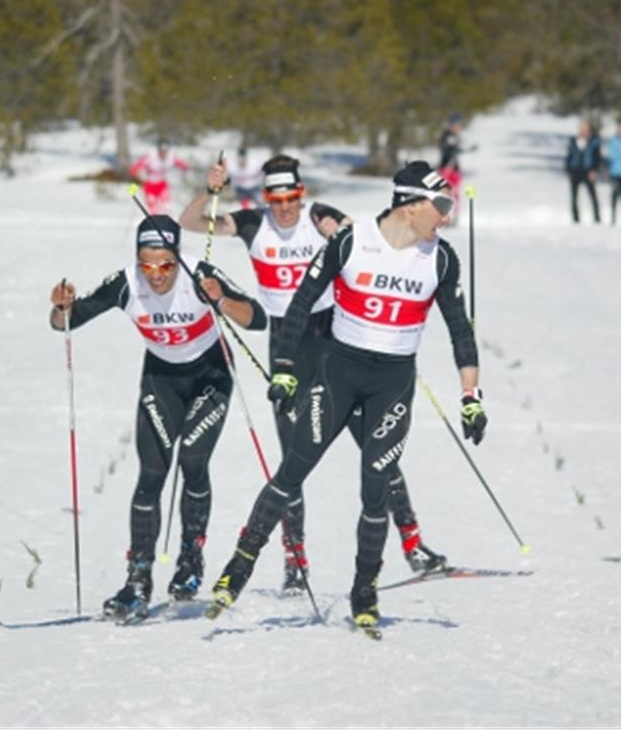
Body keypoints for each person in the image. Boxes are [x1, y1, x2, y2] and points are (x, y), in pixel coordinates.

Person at [207, 160, 485, 634]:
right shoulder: (353, 242)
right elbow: (298, 305)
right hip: (338, 374)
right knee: (293, 471)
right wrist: (288, 370)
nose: (445, 214)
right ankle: (239, 565)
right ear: (409, 205)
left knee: (375, 489)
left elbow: (460, 330)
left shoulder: (440, 258)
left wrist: (471, 395)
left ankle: (365, 592)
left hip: (393, 384)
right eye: (439, 205)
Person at [48, 215, 266, 621]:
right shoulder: (126, 283)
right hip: (161, 379)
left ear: (177, 257)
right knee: (151, 475)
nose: (156, 275)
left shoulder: (199, 275)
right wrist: (61, 307)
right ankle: (137, 581)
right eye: (147, 265)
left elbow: (258, 318)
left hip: (211, 378)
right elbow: (67, 321)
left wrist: (219, 300)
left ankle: (190, 558)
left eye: (165, 265)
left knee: (193, 462)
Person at [129, 139, 190, 216]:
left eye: (165, 152)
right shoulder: (150, 157)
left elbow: (184, 165)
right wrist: (135, 183)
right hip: (149, 186)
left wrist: (184, 170)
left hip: (162, 185)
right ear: (158, 150)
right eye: (161, 151)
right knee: (153, 210)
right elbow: (133, 169)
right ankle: (153, 224)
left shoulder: (171, 157)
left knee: (166, 207)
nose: (163, 154)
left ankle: (166, 224)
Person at [438, 112, 473, 226]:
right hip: (447, 169)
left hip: (454, 169)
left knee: (455, 193)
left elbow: (456, 149)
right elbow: (448, 149)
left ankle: (454, 216)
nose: (459, 127)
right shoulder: (447, 135)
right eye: (457, 124)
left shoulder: (453, 136)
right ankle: (445, 217)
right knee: (446, 193)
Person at [565, 121, 601, 223]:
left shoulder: (594, 142)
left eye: (586, 130)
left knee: (593, 196)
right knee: (574, 197)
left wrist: (594, 170)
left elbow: (597, 158)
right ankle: (575, 218)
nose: (584, 132)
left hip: (588, 171)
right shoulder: (573, 141)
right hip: (575, 171)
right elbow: (569, 157)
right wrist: (569, 169)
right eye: (583, 130)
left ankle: (597, 218)